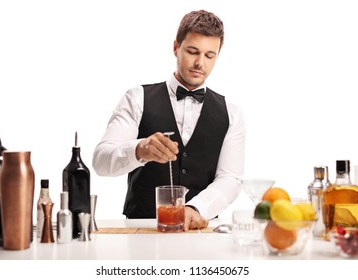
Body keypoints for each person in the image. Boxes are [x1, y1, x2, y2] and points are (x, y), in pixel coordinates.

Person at [92, 10, 245, 230]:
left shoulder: (232, 113)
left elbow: (230, 179)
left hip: (201, 231)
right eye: (192, 51)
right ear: (176, 48)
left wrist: (196, 209)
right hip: (142, 227)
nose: (200, 63)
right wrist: (139, 149)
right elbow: (101, 161)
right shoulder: (137, 98)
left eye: (210, 55)